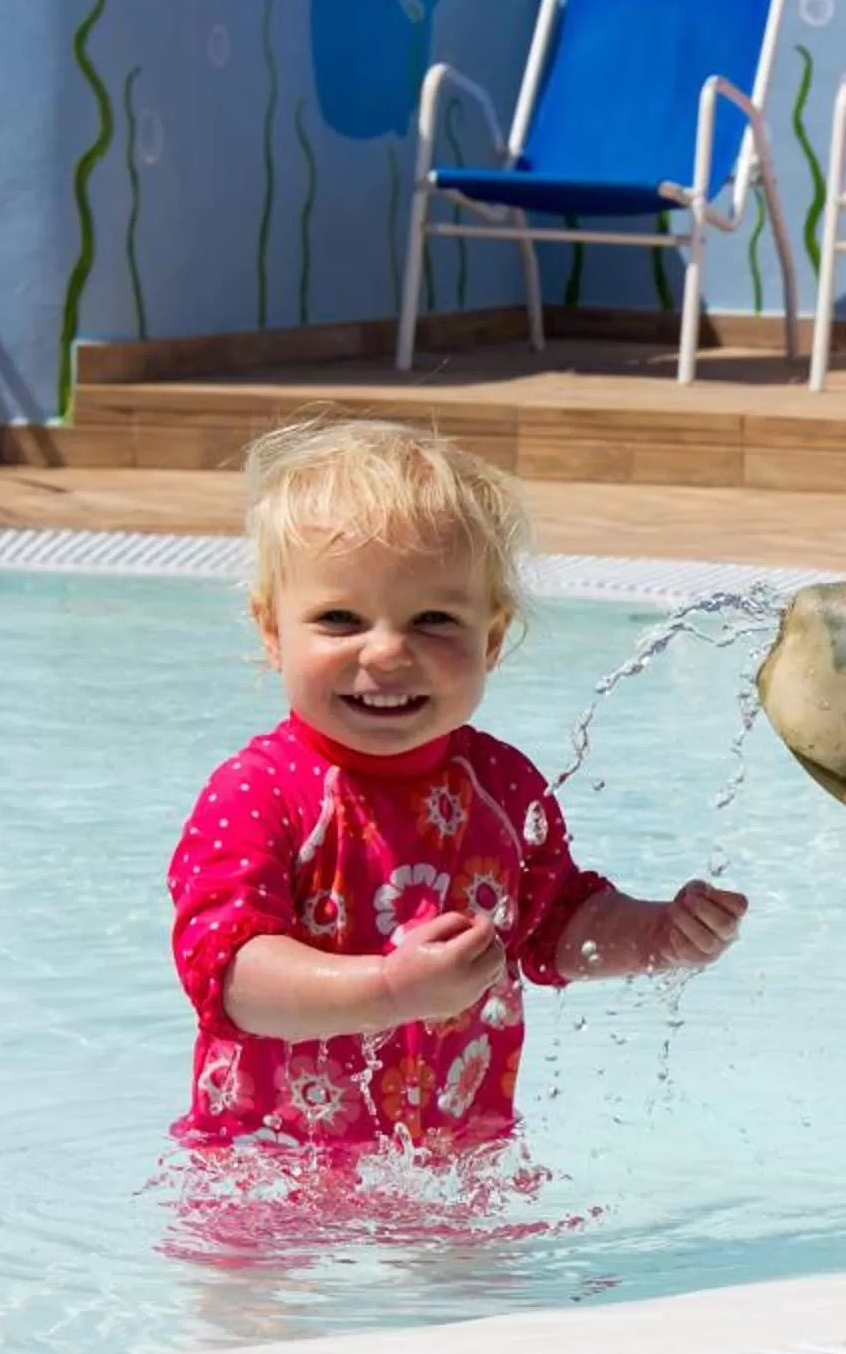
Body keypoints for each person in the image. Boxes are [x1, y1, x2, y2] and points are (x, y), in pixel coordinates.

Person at [167, 417, 746, 1152]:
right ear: (273, 632)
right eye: (339, 618)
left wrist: (658, 934)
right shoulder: (259, 794)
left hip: (454, 1167)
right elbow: (230, 979)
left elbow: (553, 928)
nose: (386, 651)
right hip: (271, 1164)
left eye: (434, 620)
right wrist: (390, 990)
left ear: (492, 640)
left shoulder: (502, 787)